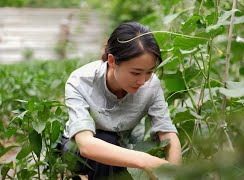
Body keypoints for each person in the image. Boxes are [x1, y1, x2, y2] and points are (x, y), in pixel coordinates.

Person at [59, 22, 182, 180]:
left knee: (121, 154)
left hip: (123, 145)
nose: (142, 81)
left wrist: (175, 172)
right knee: (107, 143)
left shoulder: (152, 85)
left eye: (149, 72)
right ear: (111, 61)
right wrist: (146, 161)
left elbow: (166, 132)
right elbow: (85, 145)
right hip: (75, 149)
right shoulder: (80, 81)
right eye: (136, 73)